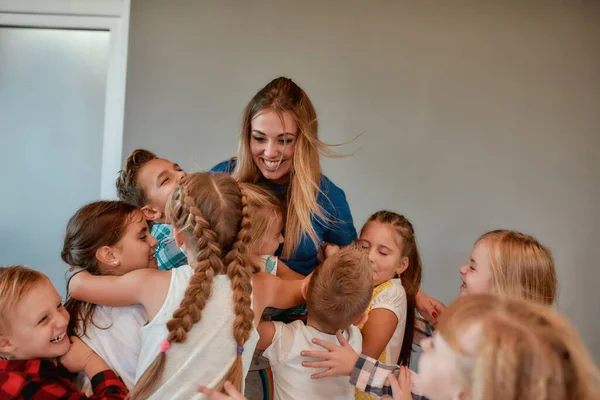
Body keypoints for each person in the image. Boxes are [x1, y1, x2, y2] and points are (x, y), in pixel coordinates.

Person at [0, 265, 128, 399]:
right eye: (43, 319)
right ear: (5, 343)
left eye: (59, 305)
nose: (62, 320)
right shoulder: (26, 387)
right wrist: (90, 361)